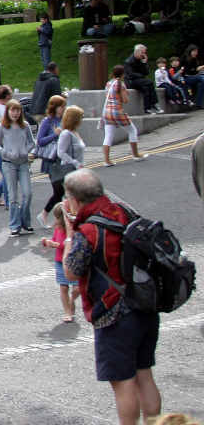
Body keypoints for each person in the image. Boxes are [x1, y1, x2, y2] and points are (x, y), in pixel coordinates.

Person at [62, 169, 163, 425]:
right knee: (144, 375)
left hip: (114, 313)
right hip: (145, 304)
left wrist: (69, 235)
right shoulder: (124, 211)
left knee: (123, 383)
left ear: (74, 199)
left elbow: (71, 271)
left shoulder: (89, 230)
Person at [0, 99, 36, 235]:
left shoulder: (25, 125)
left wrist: (25, 150)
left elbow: (32, 142)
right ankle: (14, 225)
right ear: (8, 112)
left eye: (18, 110)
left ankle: (25, 222)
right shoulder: (2, 126)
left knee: (27, 193)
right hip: (8, 164)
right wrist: (7, 153)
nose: (15, 113)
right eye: (13, 110)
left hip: (23, 163)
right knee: (13, 196)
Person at [39, 203, 80, 323]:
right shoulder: (58, 228)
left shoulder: (74, 229)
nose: (56, 220)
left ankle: (72, 301)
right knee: (63, 287)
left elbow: (72, 243)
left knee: (77, 288)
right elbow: (55, 241)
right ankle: (67, 311)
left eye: (58, 217)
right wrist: (47, 242)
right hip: (59, 261)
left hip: (73, 260)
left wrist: (57, 244)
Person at [103, 65, 146, 166]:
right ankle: (136, 155)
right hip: (118, 111)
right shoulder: (121, 84)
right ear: (123, 74)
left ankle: (106, 160)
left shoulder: (109, 83)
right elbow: (125, 100)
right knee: (132, 130)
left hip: (107, 112)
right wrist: (126, 93)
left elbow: (107, 96)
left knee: (108, 135)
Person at [36, 97, 68, 227]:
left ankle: (59, 220)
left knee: (62, 191)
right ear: (54, 107)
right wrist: (55, 134)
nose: (63, 109)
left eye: (64, 106)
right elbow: (40, 141)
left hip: (63, 160)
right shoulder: (47, 121)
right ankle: (44, 214)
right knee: (59, 191)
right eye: (61, 106)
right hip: (51, 161)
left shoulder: (64, 120)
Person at [125, 44, 162, 114]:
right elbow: (131, 74)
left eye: (144, 53)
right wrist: (141, 75)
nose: (144, 55)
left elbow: (146, 73)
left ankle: (147, 108)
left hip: (141, 81)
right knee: (150, 82)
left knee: (146, 89)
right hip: (131, 81)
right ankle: (154, 104)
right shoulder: (129, 61)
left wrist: (144, 63)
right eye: (142, 52)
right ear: (137, 52)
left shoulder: (141, 60)